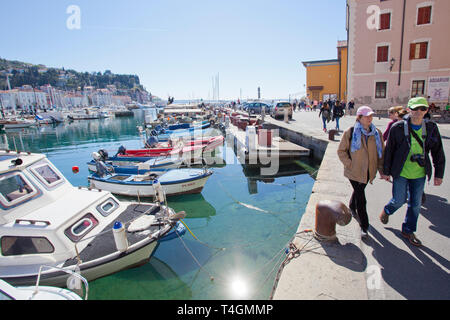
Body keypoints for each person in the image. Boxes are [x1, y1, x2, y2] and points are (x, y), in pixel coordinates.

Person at [379, 97, 445, 247]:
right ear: (408, 109)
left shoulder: (431, 128)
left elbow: (438, 152)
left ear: (427, 110)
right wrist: (385, 171)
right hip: (400, 171)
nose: (418, 112)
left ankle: (408, 230)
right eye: (415, 109)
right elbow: (389, 151)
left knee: (415, 204)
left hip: (420, 173)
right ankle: (387, 210)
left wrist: (439, 174)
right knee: (399, 200)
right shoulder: (398, 127)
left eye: (422, 109)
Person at [337, 106, 386, 238]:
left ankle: (352, 206)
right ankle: (364, 226)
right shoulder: (351, 132)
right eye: (366, 116)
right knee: (362, 198)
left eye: (371, 116)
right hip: (354, 172)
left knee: (359, 192)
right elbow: (341, 151)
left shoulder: (377, 133)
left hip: (369, 171)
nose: (370, 118)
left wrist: (381, 169)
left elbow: (381, 153)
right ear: (359, 118)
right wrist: (350, 164)